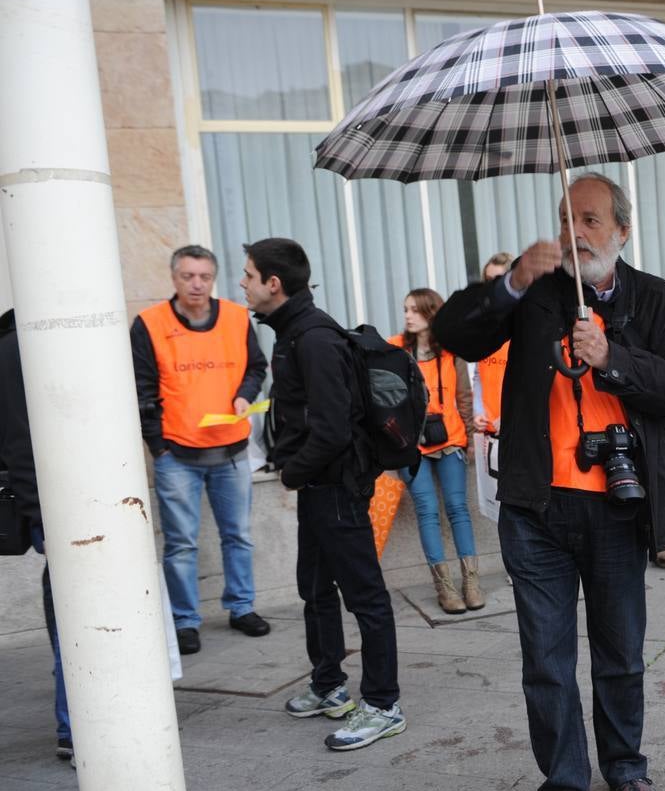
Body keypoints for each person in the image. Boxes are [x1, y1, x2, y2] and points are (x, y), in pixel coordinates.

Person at [435, 172, 665, 791]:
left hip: (618, 506)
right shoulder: (535, 295)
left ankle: (626, 771)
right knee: (547, 661)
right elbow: (454, 332)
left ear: (622, 230)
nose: (575, 232)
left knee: (619, 652)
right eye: (566, 219)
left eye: (589, 219)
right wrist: (512, 283)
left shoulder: (656, 301)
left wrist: (613, 357)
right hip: (536, 508)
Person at [240, 237, 405, 751]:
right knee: (314, 590)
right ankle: (330, 685)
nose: (241, 284)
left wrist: (291, 473)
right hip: (315, 485)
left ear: (274, 283)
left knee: (366, 598)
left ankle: (382, 704)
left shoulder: (313, 339)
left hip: (335, 485)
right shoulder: (290, 334)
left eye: (248, 275)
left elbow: (333, 428)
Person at [131, 245, 270, 654]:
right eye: (188, 276)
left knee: (239, 536)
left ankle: (242, 607)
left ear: (214, 278)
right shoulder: (149, 324)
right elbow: (141, 390)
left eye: (204, 277)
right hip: (177, 455)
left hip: (231, 451)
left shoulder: (234, 317)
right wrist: (158, 447)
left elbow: (256, 367)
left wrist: (246, 394)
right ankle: (184, 620)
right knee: (181, 543)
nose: (197, 284)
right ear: (174, 278)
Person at [1, 308, 73, 766]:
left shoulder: (20, 342)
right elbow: (20, 440)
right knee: (72, 615)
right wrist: (42, 515)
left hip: (53, 504)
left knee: (67, 613)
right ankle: (72, 724)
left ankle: (72, 723)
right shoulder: (20, 348)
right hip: (57, 506)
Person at [390, 288, 479, 614]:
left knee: (458, 508)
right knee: (427, 510)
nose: (408, 316)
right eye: (406, 309)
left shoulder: (451, 352)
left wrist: (468, 440)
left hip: (451, 438)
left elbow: (464, 399)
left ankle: (472, 582)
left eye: (415, 310)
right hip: (410, 446)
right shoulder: (395, 350)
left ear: (431, 313)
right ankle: (445, 588)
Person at [471, 252, 512, 439]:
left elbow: (535, 383)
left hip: (517, 429)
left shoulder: (524, 325)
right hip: (488, 430)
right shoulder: (483, 326)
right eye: (488, 280)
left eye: (498, 280)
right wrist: (478, 411)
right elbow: (479, 374)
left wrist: (510, 417)